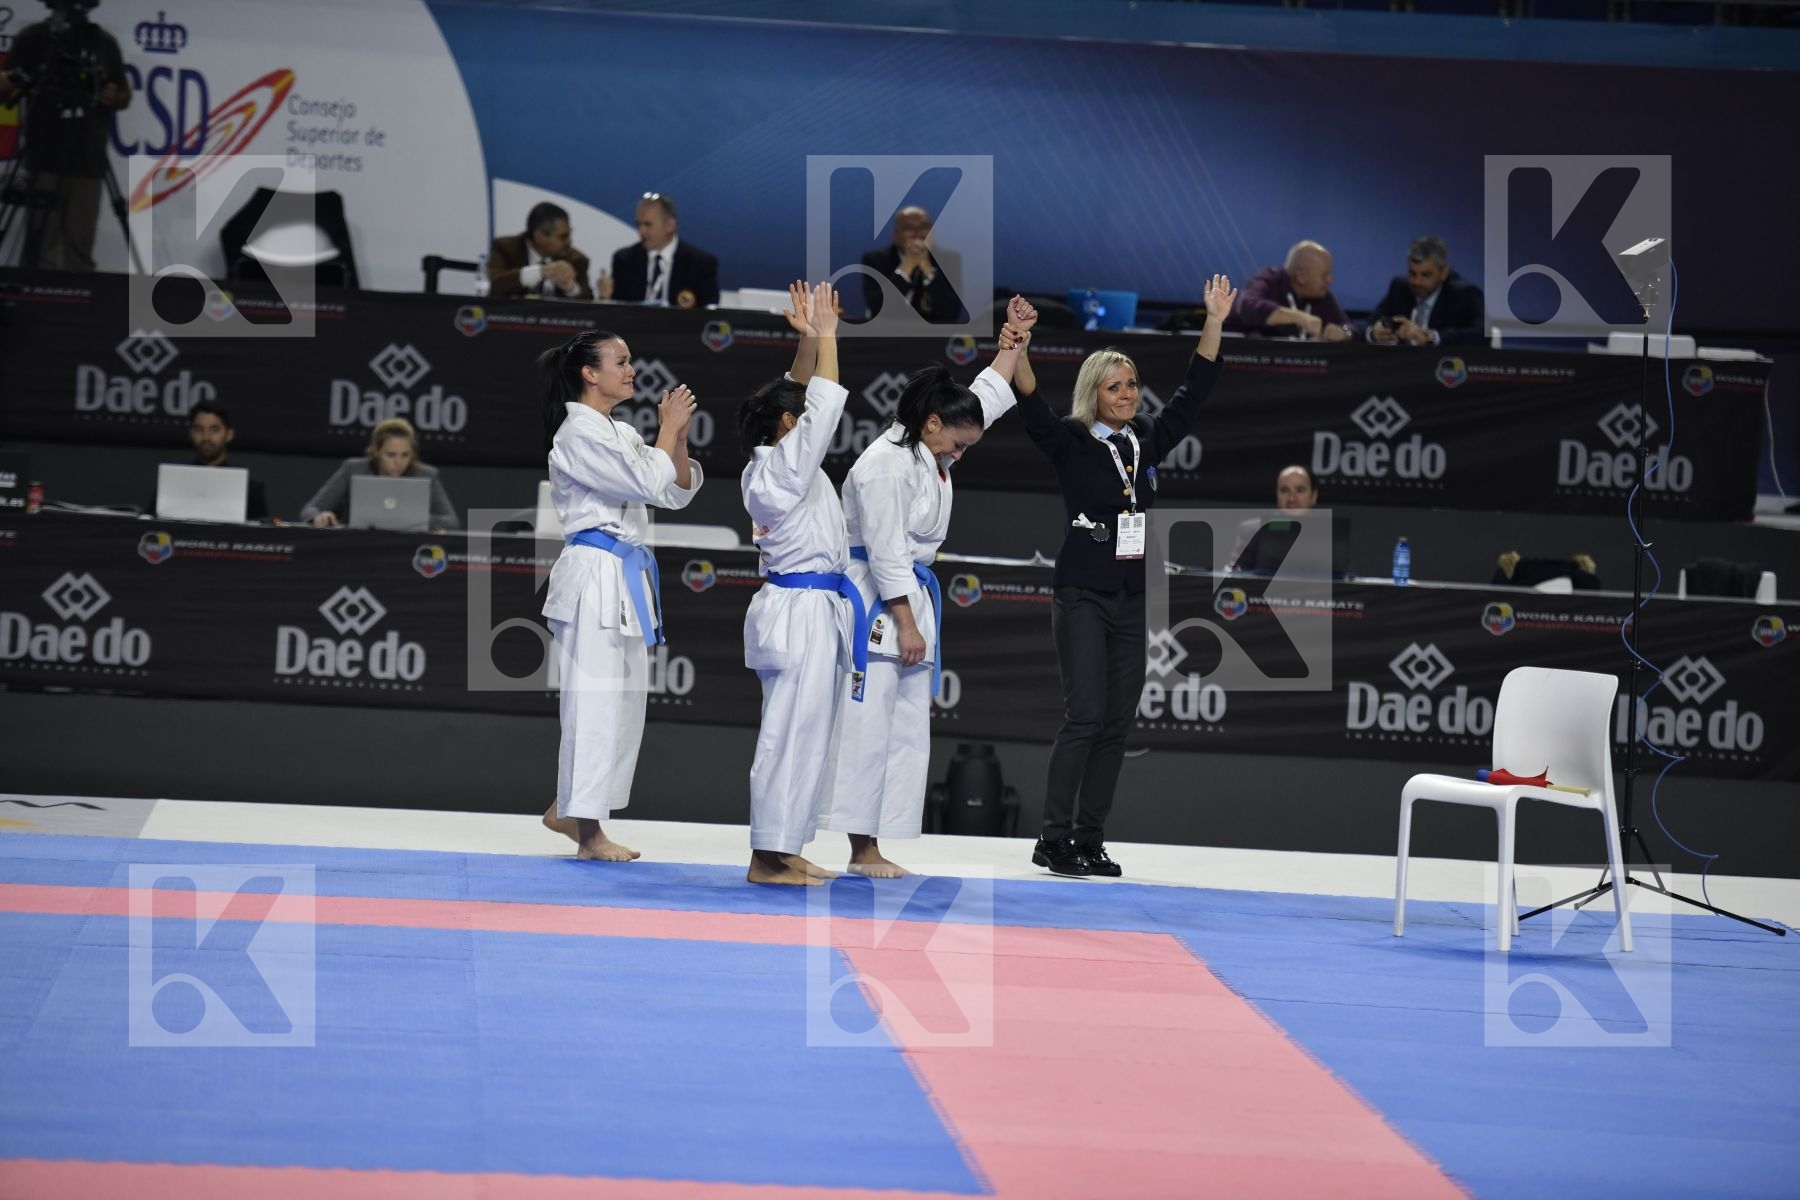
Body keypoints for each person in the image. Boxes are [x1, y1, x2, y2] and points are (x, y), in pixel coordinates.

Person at [1009, 274, 1234, 877]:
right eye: (1115, 386)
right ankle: (1052, 839)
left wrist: (1212, 321)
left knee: (1116, 723)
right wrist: (1020, 346)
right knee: (1084, 715)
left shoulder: (1145, 442)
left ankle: (1089, 837)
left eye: (1132, 384)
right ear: (1093, 392)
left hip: (1133, 596)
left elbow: (1194, 392)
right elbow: (1029, 404)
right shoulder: (1074, 441)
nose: (1128, 394)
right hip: (1081, 593)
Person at [818, 297, 1038, 877]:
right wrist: (906, 622)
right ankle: (860, 849)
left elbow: (987, 395)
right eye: (957, 445)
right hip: (878, 601)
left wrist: (1012, 340)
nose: (960, 456)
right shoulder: (884, 466)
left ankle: (878, 843)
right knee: (867, 727)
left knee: (903, 729)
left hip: (907, 596)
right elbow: (887, 551)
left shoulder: (929, 453)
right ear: (931, 423)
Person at [536, 329, 704, 862]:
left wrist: (676, 437)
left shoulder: (623, 431)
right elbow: (641, 483)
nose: (632, 370)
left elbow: (674, 492)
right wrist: (666, 430)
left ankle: (572, 808)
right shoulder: (576, 434)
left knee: (625, 706)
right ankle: (588, 833)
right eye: (621, 361)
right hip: (594, 574)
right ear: (590, 373)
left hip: (626, 576)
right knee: (594, 703)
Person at [738, 282, 863, 886]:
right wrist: (830, 339)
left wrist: (809, 337)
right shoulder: (777, 469)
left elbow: (795, 396)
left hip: (811, 608)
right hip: (798, 609)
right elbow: (823, 404)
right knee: (788, 732)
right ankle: (766, 856)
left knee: (807, 733)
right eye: (799, 416)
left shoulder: (776, 461)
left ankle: (784, 847)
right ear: (789, 424)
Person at [0, 0, 132, 270]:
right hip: (42, 152)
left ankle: (79, 305)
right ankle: (36, 304)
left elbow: (124, 95)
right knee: (39, 247)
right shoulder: (33, 38)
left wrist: (112, 95)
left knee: (80, 246)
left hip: (88, 157)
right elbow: (7, 87)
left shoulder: (103, 42)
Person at [299, 417, 460, 530]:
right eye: (390, 455)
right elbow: (310, 509)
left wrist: (414, 518)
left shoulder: (426, 475)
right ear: (376, 450)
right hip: (357, 547)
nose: (399, 462)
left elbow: (451, 521)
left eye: (405, 455)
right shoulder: (353, 469)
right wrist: (318, 517)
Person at [599, 193, 720, 309]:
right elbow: (617, 311)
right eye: (638, 224)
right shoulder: (624, 260)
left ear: (670, 225)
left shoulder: (700, 263)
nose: (641, 231)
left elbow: (708, 314)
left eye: (647, 224)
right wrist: (607, 297)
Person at [1367, 235, 1486, 346]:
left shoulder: (1465, 294)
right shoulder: (1400, 287)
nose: (1417, 282)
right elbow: (1369, 324)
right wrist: (1374, 333)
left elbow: (1483, 333)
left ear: (1444, 273)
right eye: (1412, 274)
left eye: (1426, 275)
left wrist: (1429, 336)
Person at [858, 206, 966, 324]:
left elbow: (951, 312)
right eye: (909, 228)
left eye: (923, 227)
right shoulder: (876, 260)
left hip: (933, 336)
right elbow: (879, 310)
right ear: (895, 235)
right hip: (888, 334)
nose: (917, 234)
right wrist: (906, 267)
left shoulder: (948, 260)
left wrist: (927, 268)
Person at [1233, 241, 1350, 341]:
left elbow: (1349, 327)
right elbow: (1247, 306)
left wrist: (1344, 333)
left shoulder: (1320, 295)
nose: (1330, 280)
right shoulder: (1270, 281)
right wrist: (1300, 317)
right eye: (1324, 275)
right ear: (1301, 277)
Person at [184, 399, 270, 522]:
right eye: (199, 429)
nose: (206, 437)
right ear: (191, 433)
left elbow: (262, 537)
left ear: (229, 434)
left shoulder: (249, 490)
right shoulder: (169, 485)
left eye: (214, 429)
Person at [486, 203, 593, 300]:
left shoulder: (576, 259)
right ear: (539, 237)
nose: (569, 241)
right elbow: (494, 284)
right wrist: (541, 271)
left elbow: (589, 302)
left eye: (569, 234)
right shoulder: (505, 248)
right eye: (563, 237)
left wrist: (570, 288)